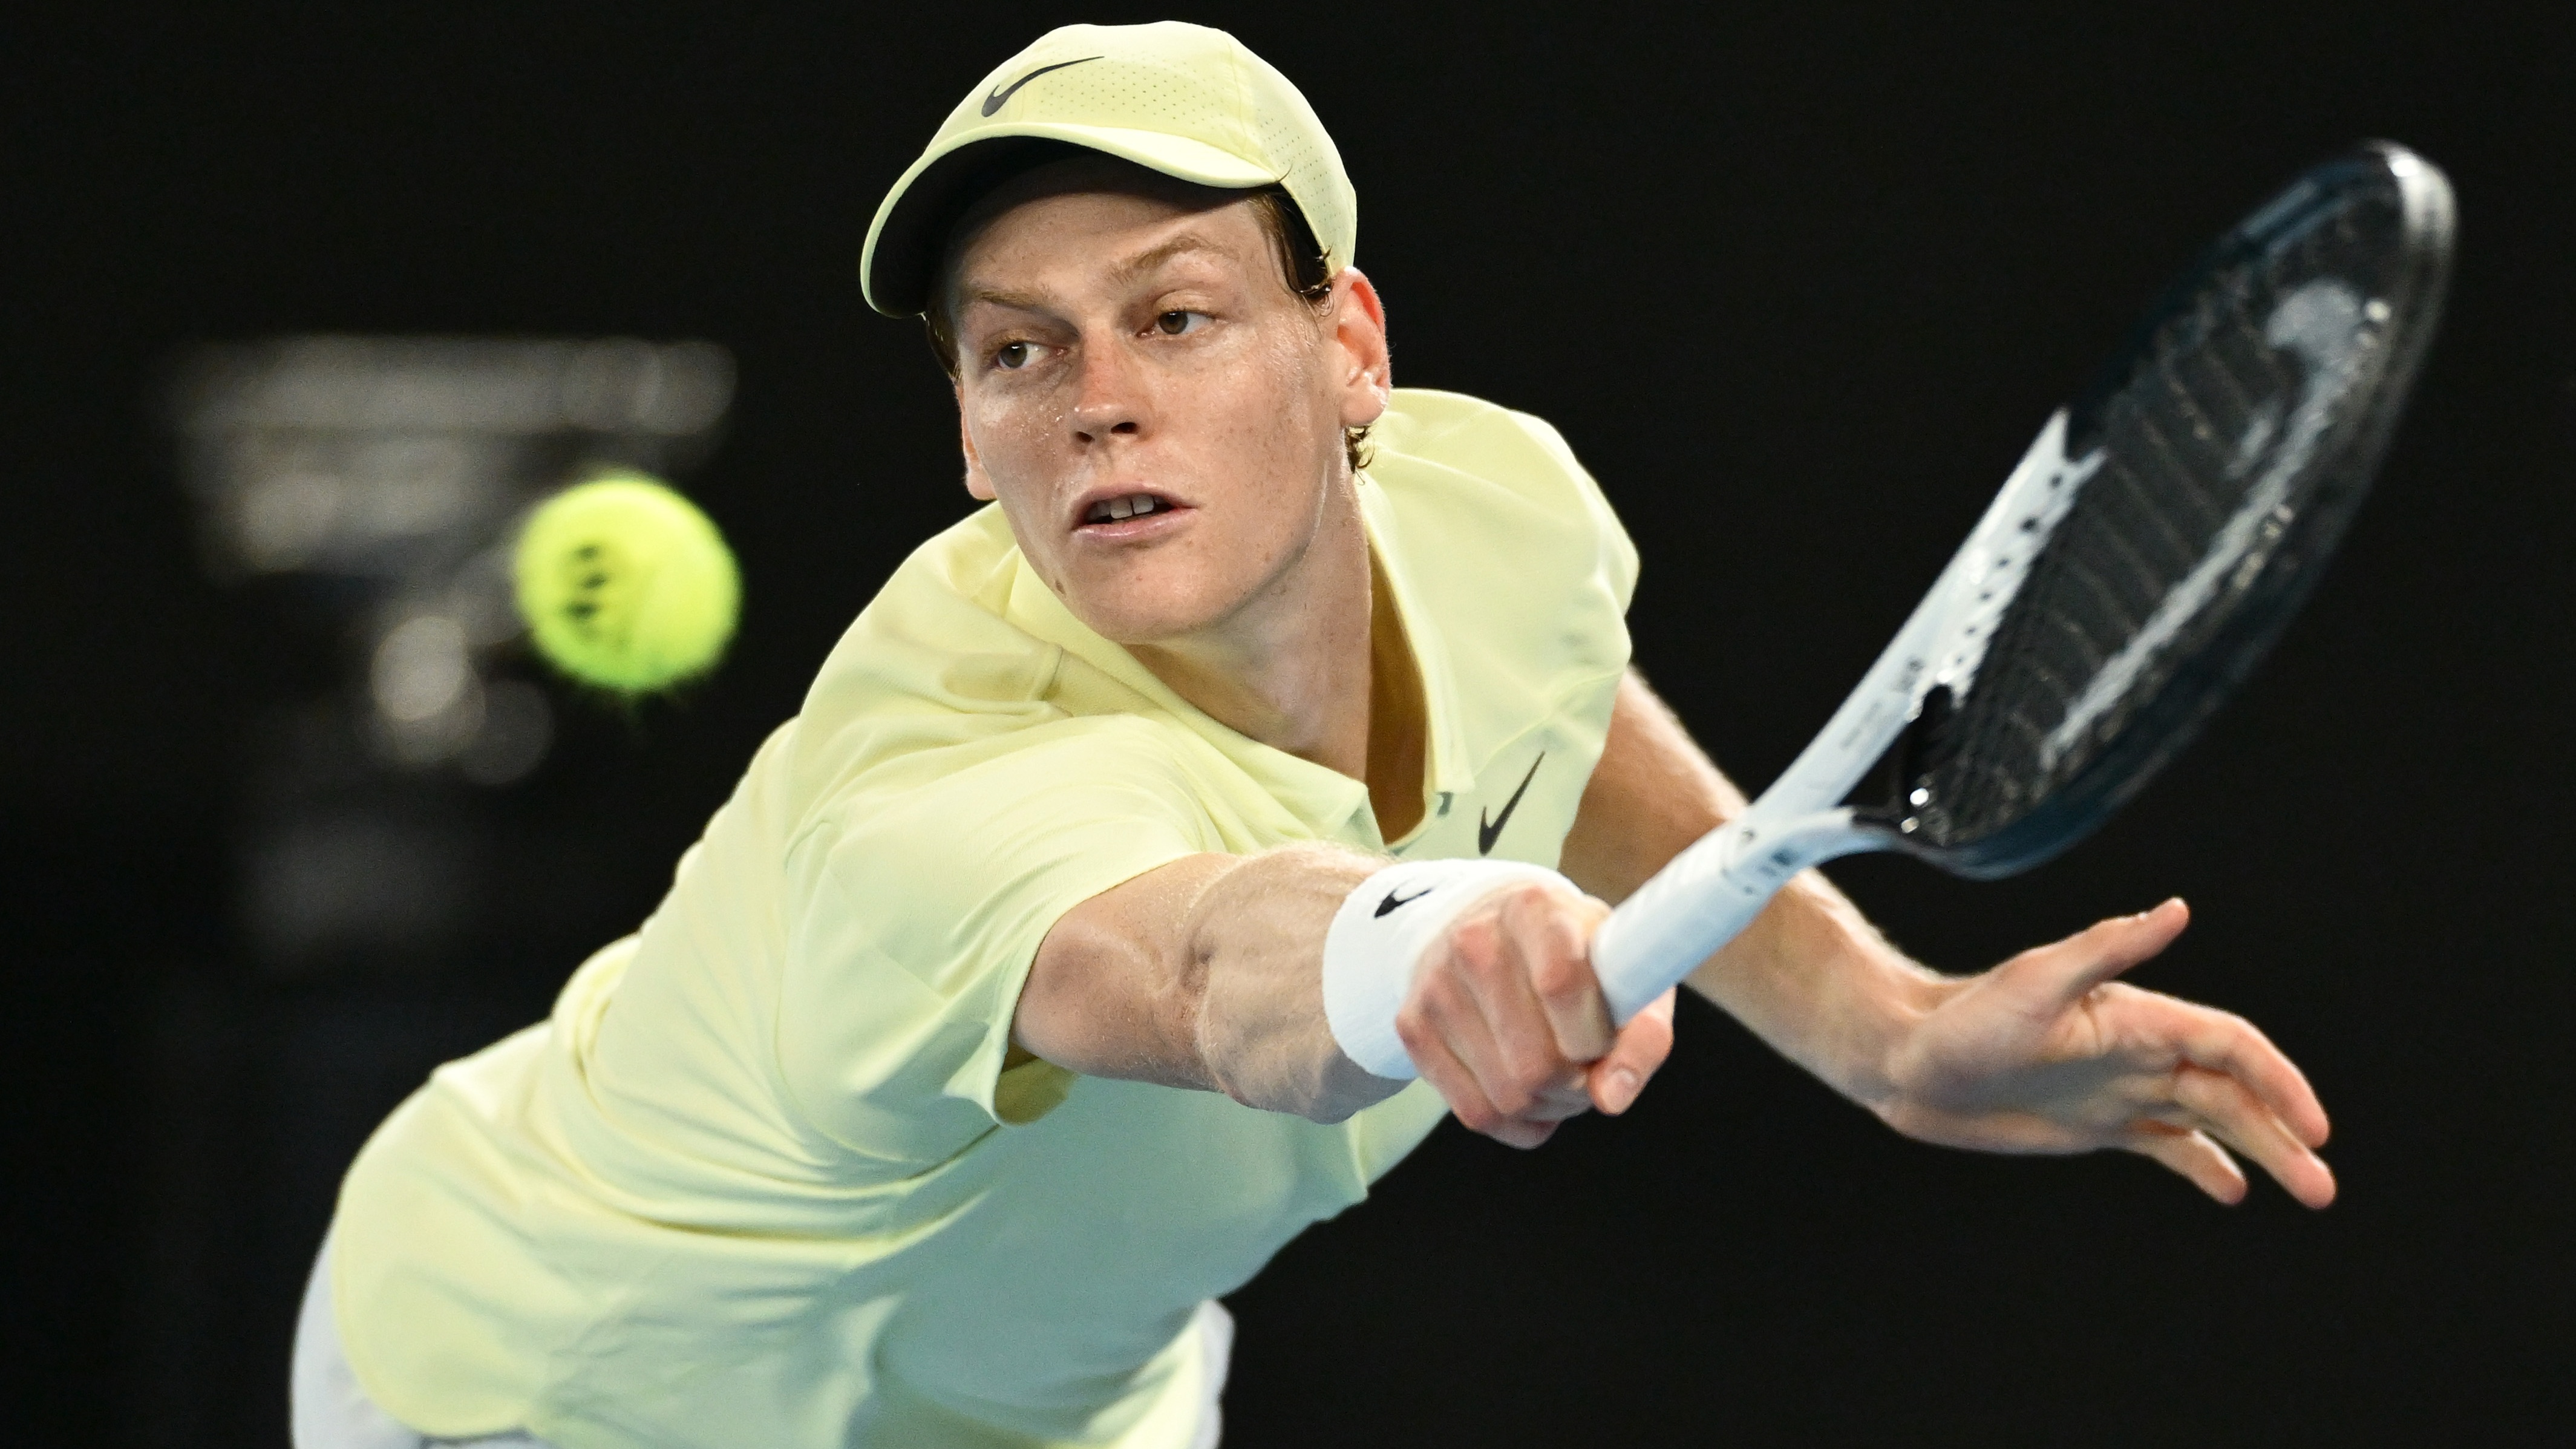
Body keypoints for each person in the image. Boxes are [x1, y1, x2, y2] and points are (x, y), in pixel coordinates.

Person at [290, 21, 2336, 1449]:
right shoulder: (938, 789)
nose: (1095, 395)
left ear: (1347, 347)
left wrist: (1884, 1031)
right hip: (560, 1387)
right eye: (1017, 350)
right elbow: (1200, 962)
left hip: (1047, 1395)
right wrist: (1432, 937)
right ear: (970, 429)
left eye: (1174, 313)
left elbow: (1551, 712)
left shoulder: (1502, 513)